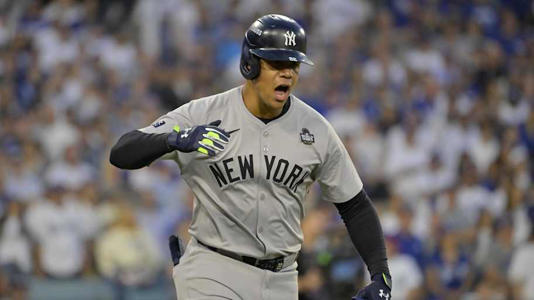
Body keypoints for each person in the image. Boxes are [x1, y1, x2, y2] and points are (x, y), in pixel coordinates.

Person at [110, 14, 391, 300]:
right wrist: (175, 138)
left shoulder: (316, 129)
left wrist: (380, 274)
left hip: (282, 278)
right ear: (250, 63)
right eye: (277, 64)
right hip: (213, 269)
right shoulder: (204, 113)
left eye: (293, 64)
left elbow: (355, 205)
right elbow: (122, 152)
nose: (288, 73)